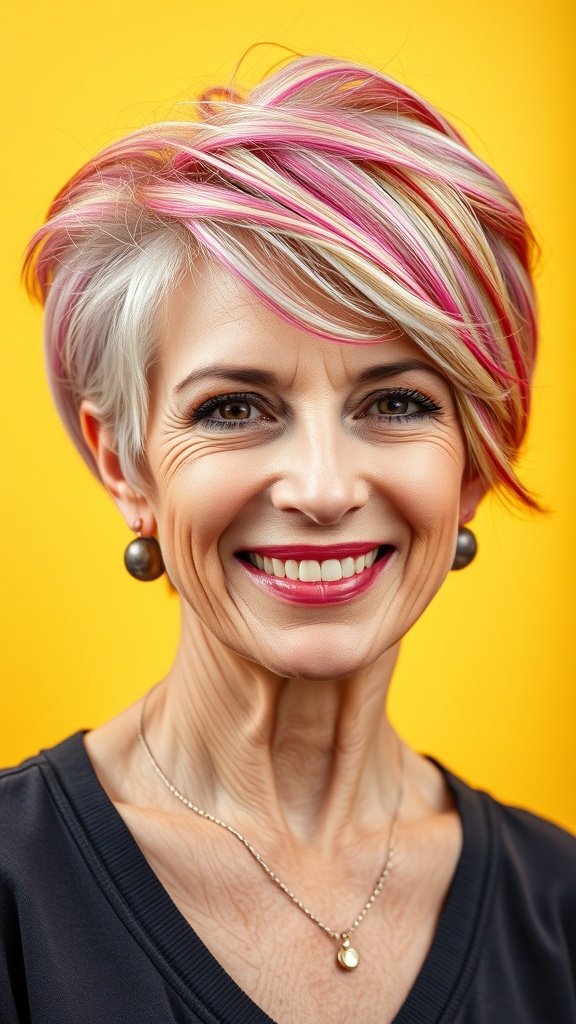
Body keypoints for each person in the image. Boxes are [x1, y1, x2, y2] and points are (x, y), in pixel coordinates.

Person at [1, 54, 574, 1024]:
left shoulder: (558, 909)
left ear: (474, 462)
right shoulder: (16, 897)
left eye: (395, 401)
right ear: (125, 464)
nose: (320, 488)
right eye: (234, 408)